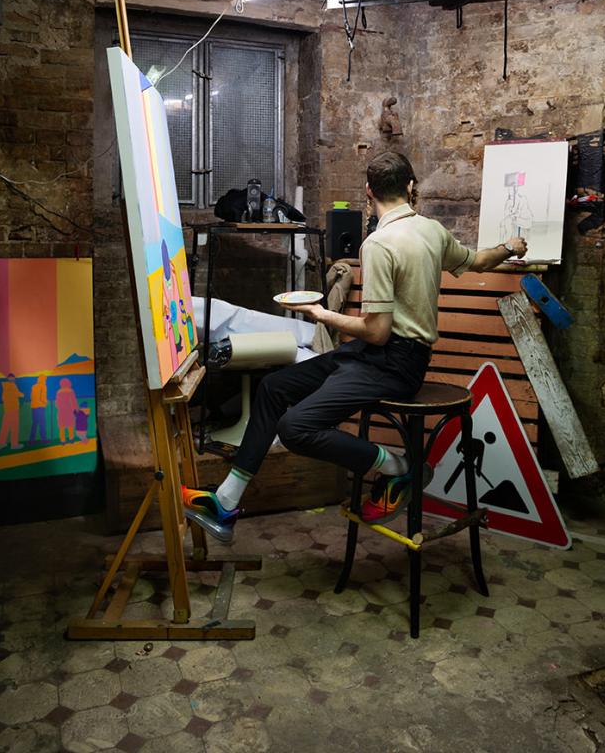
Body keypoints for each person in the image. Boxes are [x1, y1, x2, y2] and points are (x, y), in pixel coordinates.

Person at [182, 151, 527, 543]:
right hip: (378, 357)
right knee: (274, 389)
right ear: (411, 187)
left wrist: (322, 315)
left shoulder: (379, 244)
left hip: (392, 363)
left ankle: (398, 466)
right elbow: (480, 261)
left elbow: (377, 331)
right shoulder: (432, 230)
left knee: (295, 427)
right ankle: (226, 502)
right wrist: (510, 246)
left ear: (368, 191)